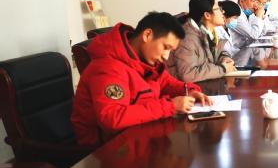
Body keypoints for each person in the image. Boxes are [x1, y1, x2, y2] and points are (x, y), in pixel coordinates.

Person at [71, 12, 213, 146]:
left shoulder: (144, 60)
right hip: (105, 150)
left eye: (170, 50)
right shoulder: (108, 67)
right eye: (165, 47)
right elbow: (112, 118)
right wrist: (170, 106)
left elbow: (165, 82)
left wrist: (189, 90)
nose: (166, 56)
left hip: (139, 137)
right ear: (147, 35)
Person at [167, 0, 235, 82]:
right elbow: (188, 74)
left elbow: (216, 54)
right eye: (219, 9)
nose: (223, 12)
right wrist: (222, 69)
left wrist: (225, 58)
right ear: (207, 15)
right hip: (183, 89)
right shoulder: (188, 38)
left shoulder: (209, 33)